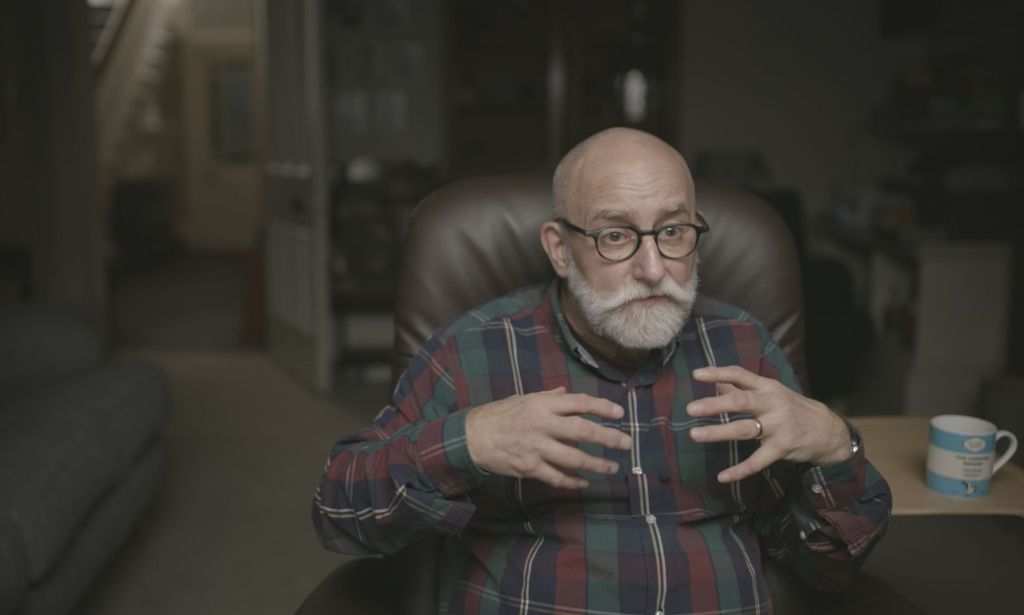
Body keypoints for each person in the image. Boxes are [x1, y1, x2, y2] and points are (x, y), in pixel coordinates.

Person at [312, 127, 892, 615]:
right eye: (615, 235)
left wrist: (836, 446)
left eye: (672, 232)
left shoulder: (744, 345)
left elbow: (829, 566)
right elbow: (339, 511)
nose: (652, 267)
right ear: (560, 249)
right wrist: (469, 442)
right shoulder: (472, 351)